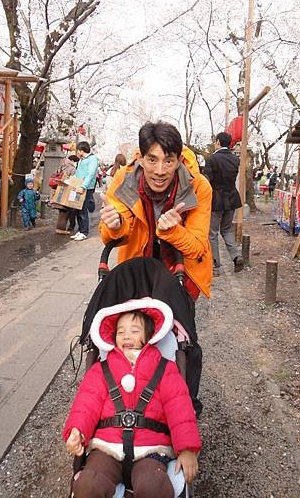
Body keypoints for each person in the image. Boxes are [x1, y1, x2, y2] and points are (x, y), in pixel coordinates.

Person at [99, 121, 212, 416]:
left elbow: (198, 247)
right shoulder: (125, 180)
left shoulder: (198, 187)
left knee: (182, 340)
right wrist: (113, 227)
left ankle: (183, 403)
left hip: (180, 275)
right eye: (152, 159)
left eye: (168, 161)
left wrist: (173, 232)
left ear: (177, 160)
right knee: (132, 334)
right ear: (141, 157)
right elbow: (116, 226)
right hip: (136, 272)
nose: (160, 170)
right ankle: (128, 396)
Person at [63, 300, 201, 498]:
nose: (126, 335)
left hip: (150, 447)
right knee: (88, 484)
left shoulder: (165, 369)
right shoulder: (101, 369)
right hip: (106, 446)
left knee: (153, 487)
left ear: (149, 335)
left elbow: (179, 408)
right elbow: (86, 404)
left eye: (134, 331)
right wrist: (78, 431)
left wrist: (187, 449)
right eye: (120, 332)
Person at [203, 132, 243, 275]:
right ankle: (236, 256)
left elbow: (206, 180)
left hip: (216, 200)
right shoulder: (235, 159)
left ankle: (215, 267)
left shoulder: (212, 159)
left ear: (218, 142)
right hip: (231, 198)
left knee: (212, 233)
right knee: (226, 230)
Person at [72, 141, 99, 241]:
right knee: (78, 209)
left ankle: (84, 232)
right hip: (79, 186)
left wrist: (83, 186)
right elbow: (78, 174)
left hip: (87, 188)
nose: (77, 153)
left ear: (81, 150)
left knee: (83, 209)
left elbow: (90, 174)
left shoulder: (93, 159)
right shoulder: (81, 160)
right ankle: (80, 230)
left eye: (78, 151)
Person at [54, 155, 79, 235]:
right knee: (66, 210)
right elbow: (74, 180)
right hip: (68, 190)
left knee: (61, 209)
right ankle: (62, 228)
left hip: (60, 189)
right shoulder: (72, 169)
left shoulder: (61, 167)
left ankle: (60, 227)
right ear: (72, 161)